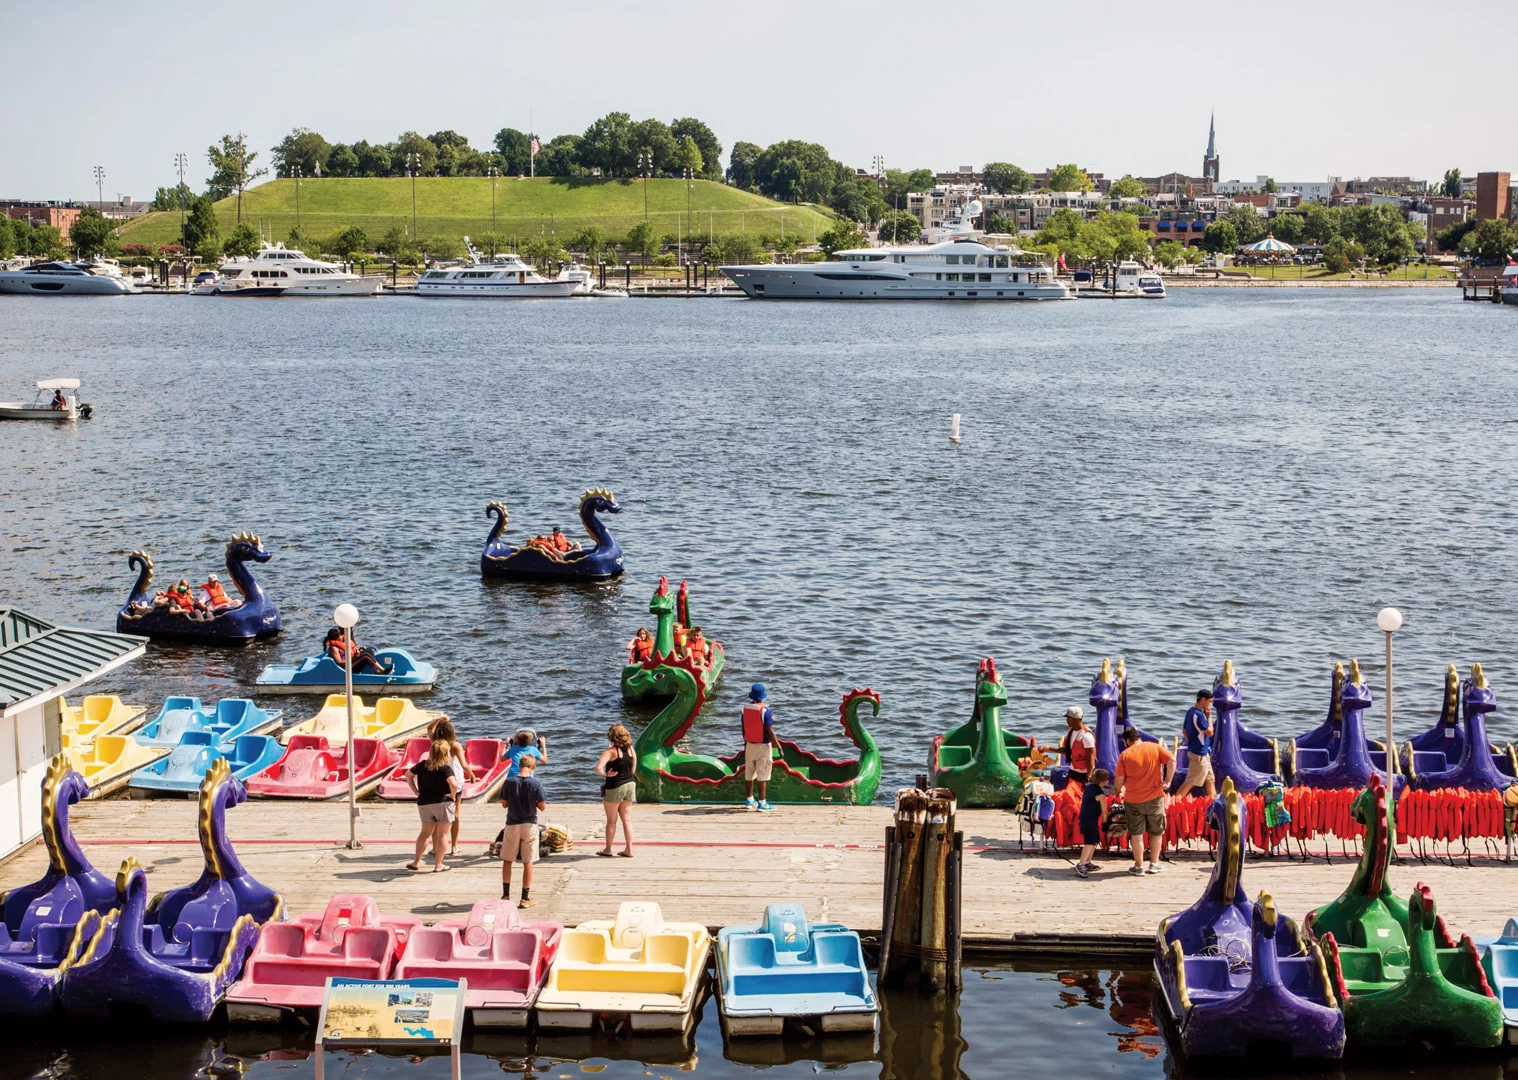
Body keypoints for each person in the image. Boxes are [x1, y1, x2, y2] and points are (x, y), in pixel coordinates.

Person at [1115, 727, 1174, 875]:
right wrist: (1167, 781)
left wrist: (1118, 791)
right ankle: (1154, 864)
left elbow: (1118, 782)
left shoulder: (1125, 755)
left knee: (1137, 834)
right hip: (1155, 797)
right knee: (1156, 832)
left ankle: (1139, 866)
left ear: (1127, 741)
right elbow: (1172, 760)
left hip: (1133, 799)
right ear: (1138, 737)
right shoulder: (1155, 747)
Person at [488, 730, 547, 857]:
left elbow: (502, 758)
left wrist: (505, 745)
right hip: (528, 780)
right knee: (527, 805)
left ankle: (514, 834)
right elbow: (544, 760)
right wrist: (543, 745)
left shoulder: (514, 749)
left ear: (516, 742)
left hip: (512, 780)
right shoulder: (533, 750)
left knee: (512, 806)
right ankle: (524, 836)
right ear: (531, 742)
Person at [500, 754, 547, 908]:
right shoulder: (536, 783)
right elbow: (542, 806)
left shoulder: (509, 782)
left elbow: (504, 804)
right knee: (528, 861)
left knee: (508, 859)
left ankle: (506, 895)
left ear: (519, 765)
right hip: (529, 824)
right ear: (532, 767)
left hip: (512, 823)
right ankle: (525, 898)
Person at [405, 735, 458, 873]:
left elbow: (408, 775)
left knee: (424, 833)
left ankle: (416, 862)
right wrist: (452, 795)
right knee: (443, 834)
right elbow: (454, 784)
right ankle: (438, 865)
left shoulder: (422, 765)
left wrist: (415, 791)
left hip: (424, 803)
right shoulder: (445, 768)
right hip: (443, 803)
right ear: (445, 754)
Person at [426, 717, 476, 857]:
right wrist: (472, 775)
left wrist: (439, 719)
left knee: (437, 816)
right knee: (455, 814)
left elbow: (429, 729)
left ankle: (435, 848)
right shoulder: (455, 745)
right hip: (455, 781)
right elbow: (464, 764)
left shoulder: (435, 743)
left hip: (438, 782)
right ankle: (454, 847)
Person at [594, 724, 636, 857]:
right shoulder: (631, 750)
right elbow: (633, 769)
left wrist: (607, 775)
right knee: (627, 820)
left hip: (615, 786)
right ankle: (629, 849)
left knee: (612, 820)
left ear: (611, 736)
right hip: (630, 785)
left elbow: (598, 769)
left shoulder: (610, 752)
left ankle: (608, 849)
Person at [742, 684, 781, 812]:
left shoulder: (745, 708)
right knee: (762, 774)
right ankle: (762, 803)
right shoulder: (765, 711)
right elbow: (770, 732)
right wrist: (779, 747)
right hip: (763, 746)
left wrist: (745, 741)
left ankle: (749, 800)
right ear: (763, 696)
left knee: (749, 773)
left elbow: (743, 728)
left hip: (749, 744)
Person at [1074, 767, 1111, 878]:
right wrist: (1105, 823)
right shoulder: (1101, 794)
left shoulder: (1090, 787)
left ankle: (1087, 862)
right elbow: (1104, 811)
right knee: (1090, 842)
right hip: (1091, 820)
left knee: (1094, 841)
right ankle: (1080, 864)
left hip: (1085, 817)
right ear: (1103, 781)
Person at [1180, 689, 1216, 798]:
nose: (1211, 705)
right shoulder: (1199, 715)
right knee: (1190, 782)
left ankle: (1212, 801)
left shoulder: (1190, 712)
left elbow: (1184, 731)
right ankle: (1174, 803)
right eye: (1210, 702)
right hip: (1199, 754)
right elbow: (1210, 732)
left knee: (1210, 779)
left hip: (1202, 753)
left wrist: (1191, 742)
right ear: (1203, 700)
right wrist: (1209, 718)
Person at [1062, 706, 1095, 785]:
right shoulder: (1071, 732)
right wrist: (1049, 748)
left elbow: (1091, 757)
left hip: (1084, 774)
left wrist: (1089, 775)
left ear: (1076, 719)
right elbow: (1068, 750)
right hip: (1073, 770)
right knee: (1069, 794)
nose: (1066, 720)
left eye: (1068, 718)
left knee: (1082, 796)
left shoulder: (1086, 736)